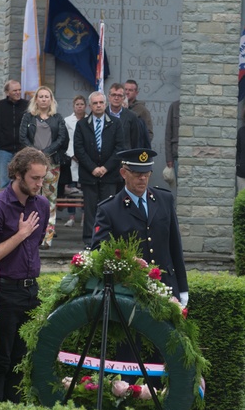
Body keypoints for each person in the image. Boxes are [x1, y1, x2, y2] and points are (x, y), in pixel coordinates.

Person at [0, 147, 50, 403]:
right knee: (0, 360)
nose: (39, 184)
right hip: (4, 290)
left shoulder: (41, 204)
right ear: (18, 174)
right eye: (35, 178)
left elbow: (38, 241)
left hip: (31, 290)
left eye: (43, 178)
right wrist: (20, 234)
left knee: (22, 361)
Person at [91, 148, 188, 304]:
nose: (142, 178)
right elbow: (99, 250)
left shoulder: (164, 200)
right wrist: (128, 258)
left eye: (146, 173)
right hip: (131, 291)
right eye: (137, 174)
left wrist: (183, 288)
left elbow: (175, 246)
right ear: (123, 173)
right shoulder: (109, 209)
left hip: (167, 287)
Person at [73, 90, 128, 246]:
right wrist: (93, 168)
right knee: (90, 209)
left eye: (101, 103)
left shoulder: (115, 123)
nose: (98, 105)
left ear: (106, 104)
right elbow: (79, 149)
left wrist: (105, 168)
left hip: (109, 175)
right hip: (89, 174)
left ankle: (106, 240)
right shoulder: (82, 124)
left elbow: (119, 148)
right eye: (95, 103)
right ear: (90, 105)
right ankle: (90, 241)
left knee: (108, 208)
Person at [19, 85, 68, 248]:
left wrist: (45, 152)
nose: (44, 99)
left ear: (51, 100)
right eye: (41, 96)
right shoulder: (28, 117)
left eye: (47, 96)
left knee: (50, 201)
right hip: (31, 165)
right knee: (31, 200)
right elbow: (22, 137)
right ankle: (30, 236)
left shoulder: (58, 118)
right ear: (36, 99)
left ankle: (47, 238)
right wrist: (35, 153)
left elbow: (61, 139)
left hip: (52, 165)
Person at [0, 79, 28, 189]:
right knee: (4, 181)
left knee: (23, 180)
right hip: (4, 149)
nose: (18, 92)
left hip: (22, 150)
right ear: (7, 92)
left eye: (19, 90)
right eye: (14, 90)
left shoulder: (27, 106)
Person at [61, 94, 86, 227]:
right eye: (77, 104)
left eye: (82, 104)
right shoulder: (67, 120)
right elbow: (66, 139)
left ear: (85, 106)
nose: (79, 106)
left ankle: (83, 217)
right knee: (71, 190)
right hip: (71, 157)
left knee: (84, 191)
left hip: (85, 159)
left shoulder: (89, 119)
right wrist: (71, 155)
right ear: (73, 106)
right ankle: (71, 217)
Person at [107, 82, 141, 148]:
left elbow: (135, 141)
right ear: (109, 97)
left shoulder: (132, 116)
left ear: (124, 98)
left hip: (125, 156)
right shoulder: (102, 114)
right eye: (113, 95)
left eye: (119, 95)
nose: (116, 98)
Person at [125, 79, 154, 144]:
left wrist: (140, 146)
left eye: (130, 90)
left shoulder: (142, 110)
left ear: (136, 93)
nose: (127, 92)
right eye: (125, 89)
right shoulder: (118, 108)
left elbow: (149, 133)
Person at [164, 99, 180, 188]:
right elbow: (168, 134)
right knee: (179, 187)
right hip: (177, 155)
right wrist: (169, 158)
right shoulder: (174, 106)